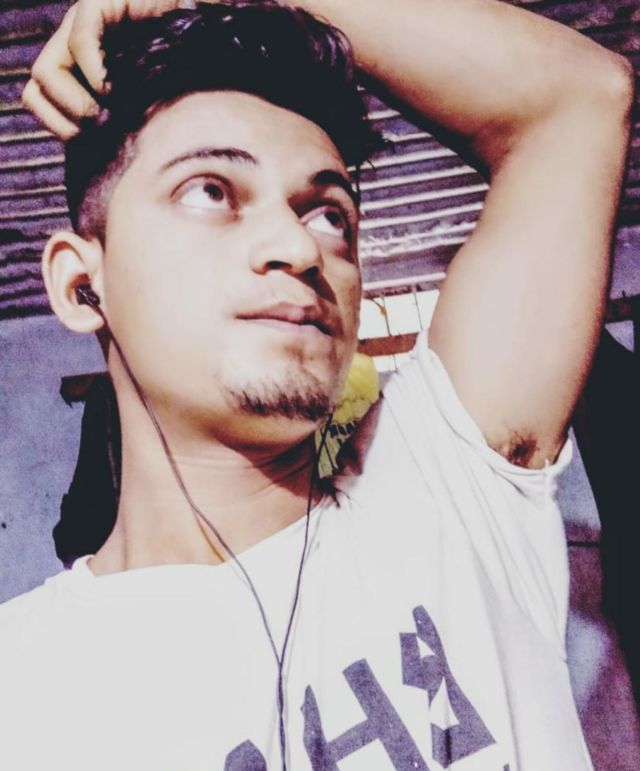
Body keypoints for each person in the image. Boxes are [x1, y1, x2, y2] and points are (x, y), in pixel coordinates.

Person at [2, 0, 633, 769]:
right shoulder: (21, 690)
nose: (298, 246)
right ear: (80, 284)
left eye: (329, 215)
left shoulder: (447, 486)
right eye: (211, 191)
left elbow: (576, 100)